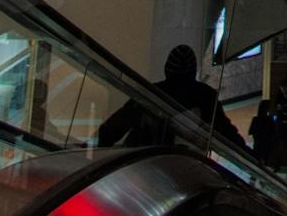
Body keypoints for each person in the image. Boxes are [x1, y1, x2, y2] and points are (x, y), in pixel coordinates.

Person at [99, 43, 243, 149]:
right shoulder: (206, 96)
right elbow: (227, 133)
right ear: (193, 71)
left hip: (142, 164)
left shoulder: (151, 94)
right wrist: (253, 157)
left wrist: (93, 147)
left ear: (167, 68)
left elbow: (115, 126)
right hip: (184, 166)